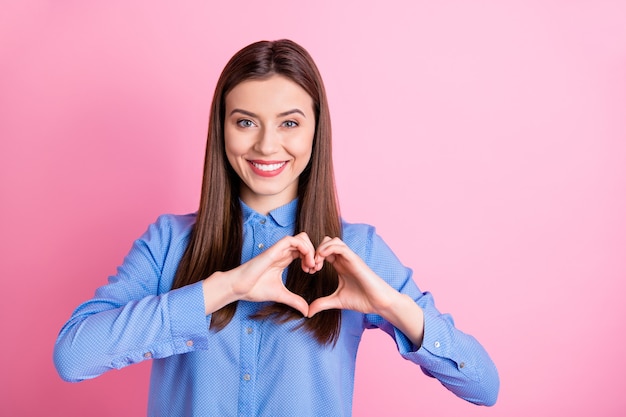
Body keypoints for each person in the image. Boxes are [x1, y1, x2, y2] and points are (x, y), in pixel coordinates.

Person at [53, 39, 499, 416]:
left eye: (289, 123)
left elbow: (484, 387)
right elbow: (73, 356)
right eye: (245, 122)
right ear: (222, 129)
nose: (267, 144)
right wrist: (222, 289)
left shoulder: (357, 249)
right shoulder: (169, 241)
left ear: (314, 132)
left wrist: (392, 305)